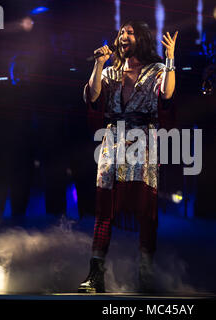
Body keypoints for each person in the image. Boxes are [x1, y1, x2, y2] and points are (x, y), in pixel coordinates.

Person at [78, 20, 177, 293]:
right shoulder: (110, 72)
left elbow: (167, 93)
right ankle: (96, 275)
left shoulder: (156, 70)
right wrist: (98, 64)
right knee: (104, 208)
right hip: (113, 142)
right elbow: (92, 97)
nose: (124, 36)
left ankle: (145, 274)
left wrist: (170, 59)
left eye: (130, 32)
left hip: (144, 143)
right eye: (122, 32)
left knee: (146, 210)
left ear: (141, 39)